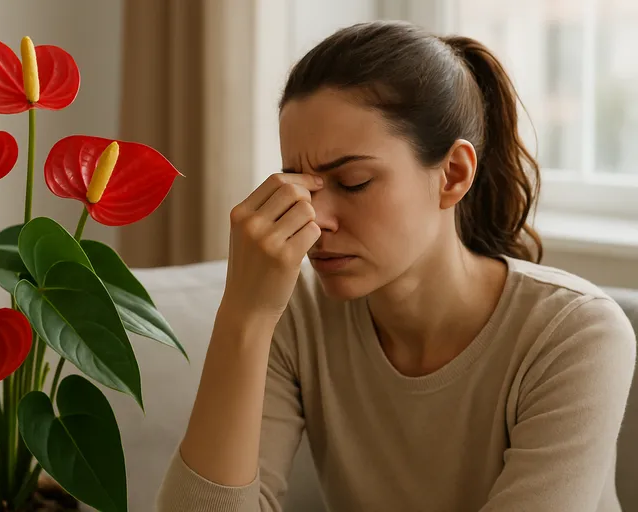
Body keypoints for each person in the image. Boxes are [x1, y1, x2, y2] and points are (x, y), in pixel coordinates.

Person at [156, 20, 637, 511]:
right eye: (299, 184)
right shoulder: (296, 315)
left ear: (453, 174)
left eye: (354, 181)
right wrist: (244, 315)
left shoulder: (575, 334)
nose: (314, 219)